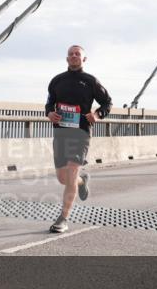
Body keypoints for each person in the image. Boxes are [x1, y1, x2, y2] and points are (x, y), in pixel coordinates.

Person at [45, 45, 112, 233]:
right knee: (62, 178)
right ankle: (82, 181)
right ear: (67, 59)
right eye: (71, 54)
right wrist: (50, 113)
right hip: (60, 133)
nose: (74, 56)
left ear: (84, 59)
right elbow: (49, 102)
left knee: (71, 172)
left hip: (81, 133)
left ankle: (63, 219)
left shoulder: (90, 81)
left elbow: (107, 102)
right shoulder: (56, 80)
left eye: (78, 54)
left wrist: (97, 114)